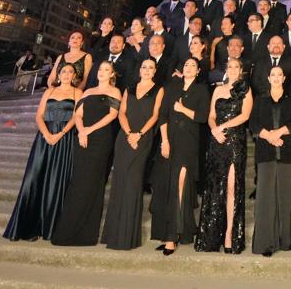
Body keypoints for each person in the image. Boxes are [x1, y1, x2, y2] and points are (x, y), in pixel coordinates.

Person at [3, 65, 81, 239]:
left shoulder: (78, 93)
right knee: (33, 178)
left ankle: (49, 227)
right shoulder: (49, 91)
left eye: (70, 72)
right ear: (58, 75)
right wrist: (46, 134)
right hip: (44, 138)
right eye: (63, 72)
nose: (66, 74)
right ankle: (26, 227)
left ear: (74, 76)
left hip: (65, 139)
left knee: (56, 180)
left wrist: (60, 134)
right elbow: (39, 115)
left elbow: (76, 117)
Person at [51, 60, 122, 246]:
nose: (102, 72)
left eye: (106, 69)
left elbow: (112, 115)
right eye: (100, 69)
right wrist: (82, 131)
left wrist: (89, 130)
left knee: (93, 183)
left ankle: (87, 233)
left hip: (101, 140)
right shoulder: (88, 91)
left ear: (112, 74)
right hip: (82, 139)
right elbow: (78, 115)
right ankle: (68, 230)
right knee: (78, 182)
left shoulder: (115, 92)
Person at [102, 59, 164, 250]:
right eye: (144, 67)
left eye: (150, 68)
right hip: (124, 138)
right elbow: (121, 113)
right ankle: (112, 233)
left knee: (133, 183)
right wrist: (129, 133)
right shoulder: (129, 88)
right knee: (119, 181)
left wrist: (139, 134)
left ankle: (128, 236)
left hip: (143, 138)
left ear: (155, 71)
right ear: (140, 70)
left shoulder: (159, 89)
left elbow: (155, 115)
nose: (147, 70)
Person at [151, 57, 210, 255]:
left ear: (198, 71)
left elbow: (202, 117)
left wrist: (183, 109)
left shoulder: (201, 90)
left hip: (188, 144)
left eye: (193, 65)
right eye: (186, 65)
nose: (189, 67)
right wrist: (164, 141)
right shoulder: (172, 87)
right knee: (166, 187)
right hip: (169, 141)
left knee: (180, 185)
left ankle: (172, 236)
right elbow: (163, 115)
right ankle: (170, 232)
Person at [195, 57, 253, 253]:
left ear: (241, 70)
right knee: (215, 187)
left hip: (235, 141)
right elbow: (211, 116)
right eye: (230, 66)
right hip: (217, 141)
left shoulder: (246, 90)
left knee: (231, 188)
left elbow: (245, 116)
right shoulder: (218, 90)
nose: (233, 69)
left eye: (237, 66)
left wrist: (223, 127)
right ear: (226, 70)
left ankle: (229, 234)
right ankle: (211, 236)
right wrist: (214, 130)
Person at [247, 64, 291, 256]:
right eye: (273, 75)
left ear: (284, 78)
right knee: (266, 199)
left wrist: (278, 133)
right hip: (266, 153)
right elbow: (253, 123)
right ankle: (266, 244)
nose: (276, 77)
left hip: (287, 153)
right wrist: (269, 136)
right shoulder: (260, 100)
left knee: (285, 197)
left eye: (279, 74)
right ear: (268, 79)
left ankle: (284, 241)